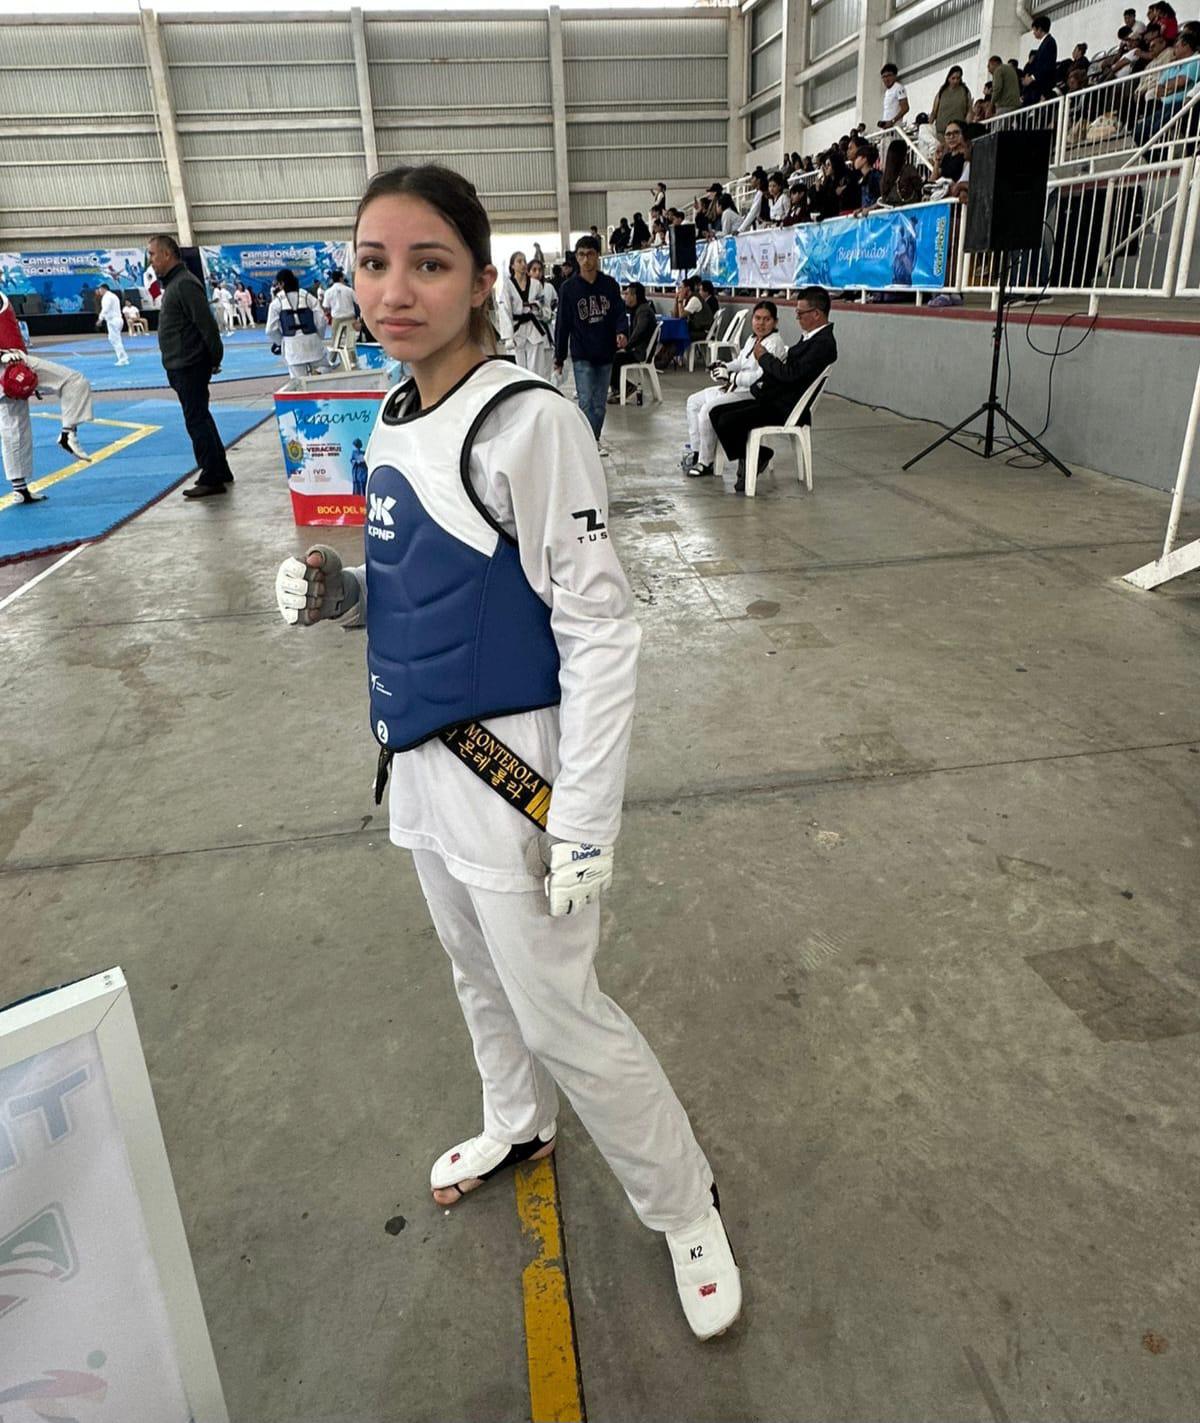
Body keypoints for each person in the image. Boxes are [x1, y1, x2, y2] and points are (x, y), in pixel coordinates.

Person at [272, 162, 740, 1342]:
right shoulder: (388, 413)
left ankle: (684, 1201)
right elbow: (435, 589)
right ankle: (515, 1119)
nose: (395, 288)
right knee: (475, 977)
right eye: (373, 261)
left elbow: (598, 629)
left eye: (428, 263)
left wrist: (583, 818)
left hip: (514, 775)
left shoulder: (530, 420)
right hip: (422, 767)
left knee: (564, 1010)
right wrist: (343, 598)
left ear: (483, 280)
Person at [709, 286, 837, 493]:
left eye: (800, 313)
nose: (797, 318)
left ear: (816, 314)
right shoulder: (811, 337)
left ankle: (756, 457)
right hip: (775, 397)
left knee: (727, 421)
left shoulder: (823, 344)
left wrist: (764, 357)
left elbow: (789, 374)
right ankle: (753, 457)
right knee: (715, 413)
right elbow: (789, 371)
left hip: (786, 407)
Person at [147, 234, 233, 501]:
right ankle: (219, 468)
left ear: (167, 255)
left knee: (196, 419)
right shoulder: (176, 285)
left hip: (189, 364)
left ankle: (212, 476)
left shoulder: (183, 284)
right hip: (182, 364)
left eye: (152, 254)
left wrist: (215, 357)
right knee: (201, 417)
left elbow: (206, 324)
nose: (150, 261)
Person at [0, 290, 94, 502]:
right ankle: (20, 487)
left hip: (19, 361)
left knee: (74, 381)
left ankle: (21, 488)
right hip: (6, 366)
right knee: (14, 425)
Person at [682, 300, 787, 479]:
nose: (761, 323)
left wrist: (730, 377)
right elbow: (740, 361)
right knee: (693, 401)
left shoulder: (773, 343)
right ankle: (697, 451)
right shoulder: (753, 338)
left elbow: (758, 377)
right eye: (757, 318)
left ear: (775, 322)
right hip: (735, 386)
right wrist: (724, 366)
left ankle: (706, 462)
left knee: (708, 410)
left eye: (766, 319)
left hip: (750, 393)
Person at [553, 234, 626, 456]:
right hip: (581, 352)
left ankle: (593, 438)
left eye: (590, 254)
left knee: (599, 403)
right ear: (577, 257)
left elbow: (619, 313)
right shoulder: (569, 288)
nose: (586, 259)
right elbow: (562, 324)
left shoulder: (610, 285)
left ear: (598, 256)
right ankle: (587, 443)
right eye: (582, 255)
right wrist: (559, 356)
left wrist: (622, 331)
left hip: (605, 351)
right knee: (585, 400)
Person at [267, 268, 325, 379]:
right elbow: (321, 319)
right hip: (313, 344)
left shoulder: (277, 302)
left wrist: (282, 342)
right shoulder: (308, 297)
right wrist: (318, 335)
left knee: (299, 383)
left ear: (282, 284)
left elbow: (270, 330)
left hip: (292, 348)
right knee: (323, 377)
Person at [501, 251, 552, 377]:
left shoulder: (536, 285)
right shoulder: (508, 286)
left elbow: (545, 307)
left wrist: (537, 308)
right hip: (517, 330)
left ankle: (537, 394)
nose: (523, 264)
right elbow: (504, 310)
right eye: (519, 261)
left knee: (536, 371)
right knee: (518, 371)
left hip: (534, 328)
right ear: (512, 266)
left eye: (524, 261)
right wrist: (508, 337)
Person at [607, 281, 655, 403]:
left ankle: (625, 388)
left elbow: (640, 331)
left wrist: (627, 347)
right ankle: (618, 388)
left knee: (613, 358)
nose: (625, 297)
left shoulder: (643, 311)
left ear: (635, 296)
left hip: (639, 352)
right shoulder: (639, 309)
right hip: (637, 349)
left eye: (627, 294)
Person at [323, 267, 360, 369]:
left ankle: (331, 361)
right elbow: (358, 302)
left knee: (335, 340)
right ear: (341, 278)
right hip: (349, 317)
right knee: (350, 341)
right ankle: (353, 362)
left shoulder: (328, 292)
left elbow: (326, 306)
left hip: (337, 318)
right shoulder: (349, 290)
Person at [1022, 14, 1059, 104]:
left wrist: (1032, 78)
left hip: (1043, 85)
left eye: (1034, 30)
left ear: (1040, 29)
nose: (1033, 32)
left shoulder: (1049, 43)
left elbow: (1047, 65)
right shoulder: (1045, 43)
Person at [930, 66, 972, 137]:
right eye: (953, 78)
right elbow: (934, 112)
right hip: (942, 132)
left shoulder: (965, 91)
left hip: (958, 131)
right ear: (948, 78)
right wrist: (929, 125)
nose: (955, 81)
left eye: (958, 78)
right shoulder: (942, 91)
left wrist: (967, 128)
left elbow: (969, 111)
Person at [95, 283, 129, 366]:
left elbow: (106, 309)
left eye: (99, 289)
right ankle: (124, 357)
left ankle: (123, 359)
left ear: (103, 289)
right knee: (113, 339)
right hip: (116, 320)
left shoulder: (107, 297)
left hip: (113, 320)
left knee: (115, 339)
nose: (99, 291)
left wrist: (100, 319)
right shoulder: (113, 296)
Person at [879, 62, 910, 128]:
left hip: (895, 127)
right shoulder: (887, 91)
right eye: (884, 77)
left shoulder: (898, 87)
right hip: (887, 128)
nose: (886, 79)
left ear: (895, 76)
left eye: (889, 75)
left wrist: (892, 121)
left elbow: (905, 108)